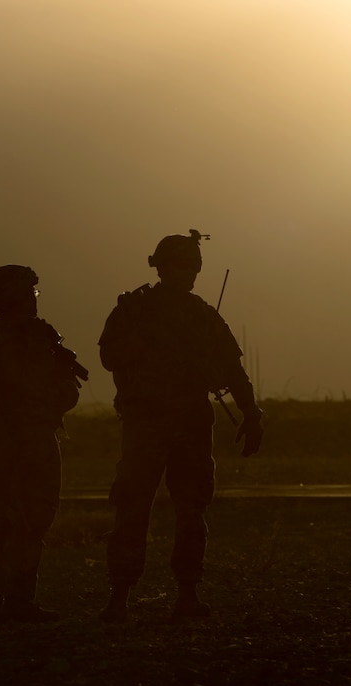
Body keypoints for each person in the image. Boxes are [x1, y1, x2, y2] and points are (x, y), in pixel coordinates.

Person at [98, 230, 263, 622]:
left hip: (190, 422)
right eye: (180, 265)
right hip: (147, 422)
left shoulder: (203, 315)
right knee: (133, 507)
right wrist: (152, 351)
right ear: (161, 267)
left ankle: (187, 594)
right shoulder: (134, 311)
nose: (188, 272)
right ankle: (119, 597)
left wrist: (251, 414)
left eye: (193, 266)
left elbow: (233, 370)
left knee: (191, 510)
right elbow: (109, 357)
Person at [0, 265, 86, 622]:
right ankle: (19, 602)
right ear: (20, 296)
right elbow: (59, 394)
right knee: (32, 520)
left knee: (1, 521)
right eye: (32, 292)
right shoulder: (31, 339)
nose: (35, 299)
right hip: (31, 442)